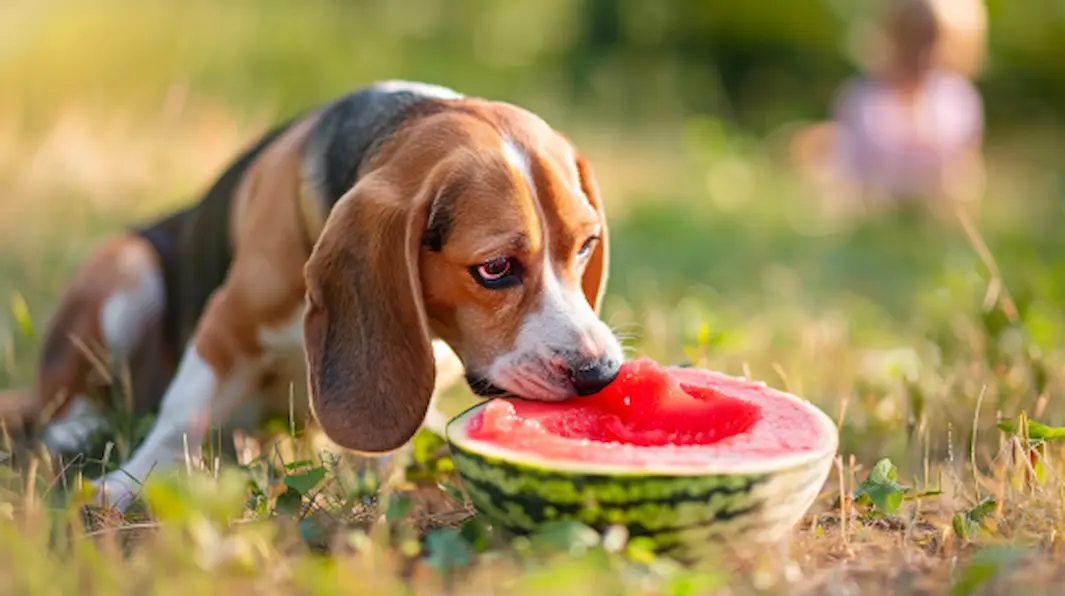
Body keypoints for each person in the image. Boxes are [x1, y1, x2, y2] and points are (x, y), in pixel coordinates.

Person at [791, 0, 987, 216]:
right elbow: (846, 172)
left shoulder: (958, 101)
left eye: (933, 38)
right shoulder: (862, 98)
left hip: (932, 216)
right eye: (914, 37)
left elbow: (967, 174)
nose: (924, 51)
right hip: (870, 212)